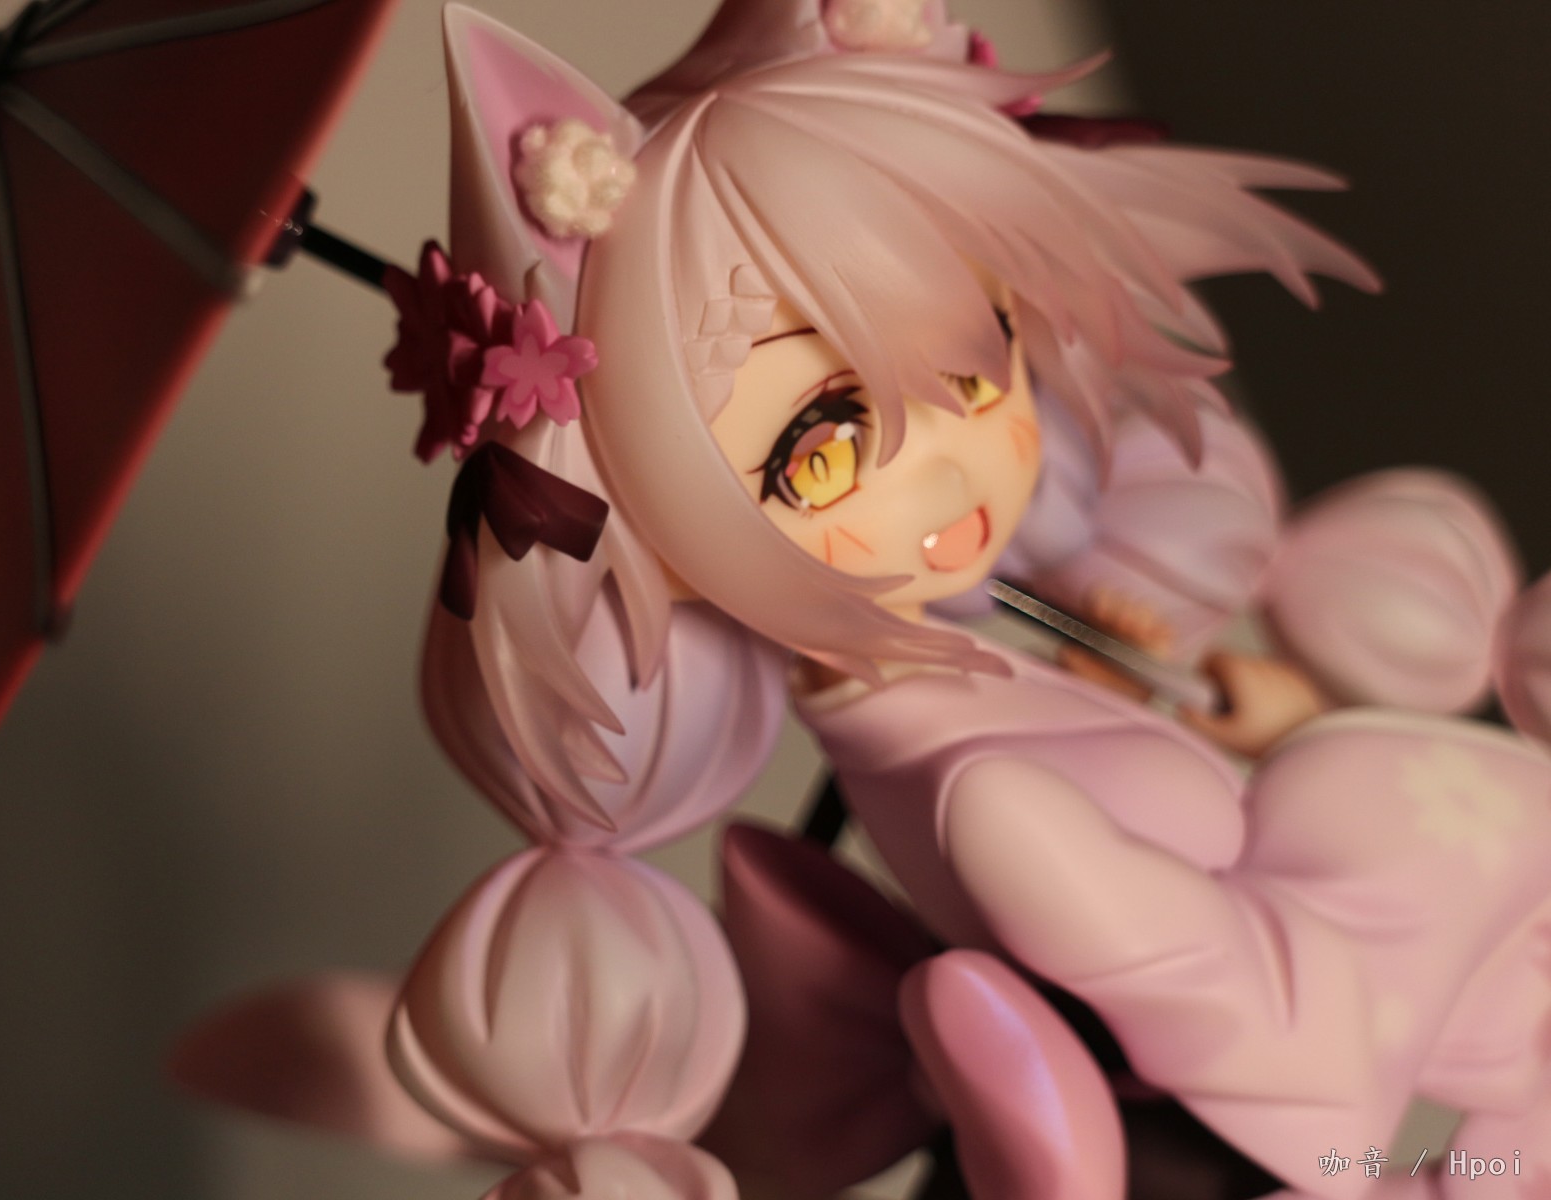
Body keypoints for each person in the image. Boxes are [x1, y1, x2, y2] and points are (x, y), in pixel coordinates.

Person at [174, 2, 1551, 1196]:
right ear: (659, 516)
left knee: (1406, 893)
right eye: (823, 452)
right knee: (1035, 843)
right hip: (1185, 1020)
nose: (956, 467)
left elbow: (1159, 714)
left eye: (977, 357)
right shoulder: (946, 761)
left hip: (1257, 949)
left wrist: (1201, 695)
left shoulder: (1022, 604)